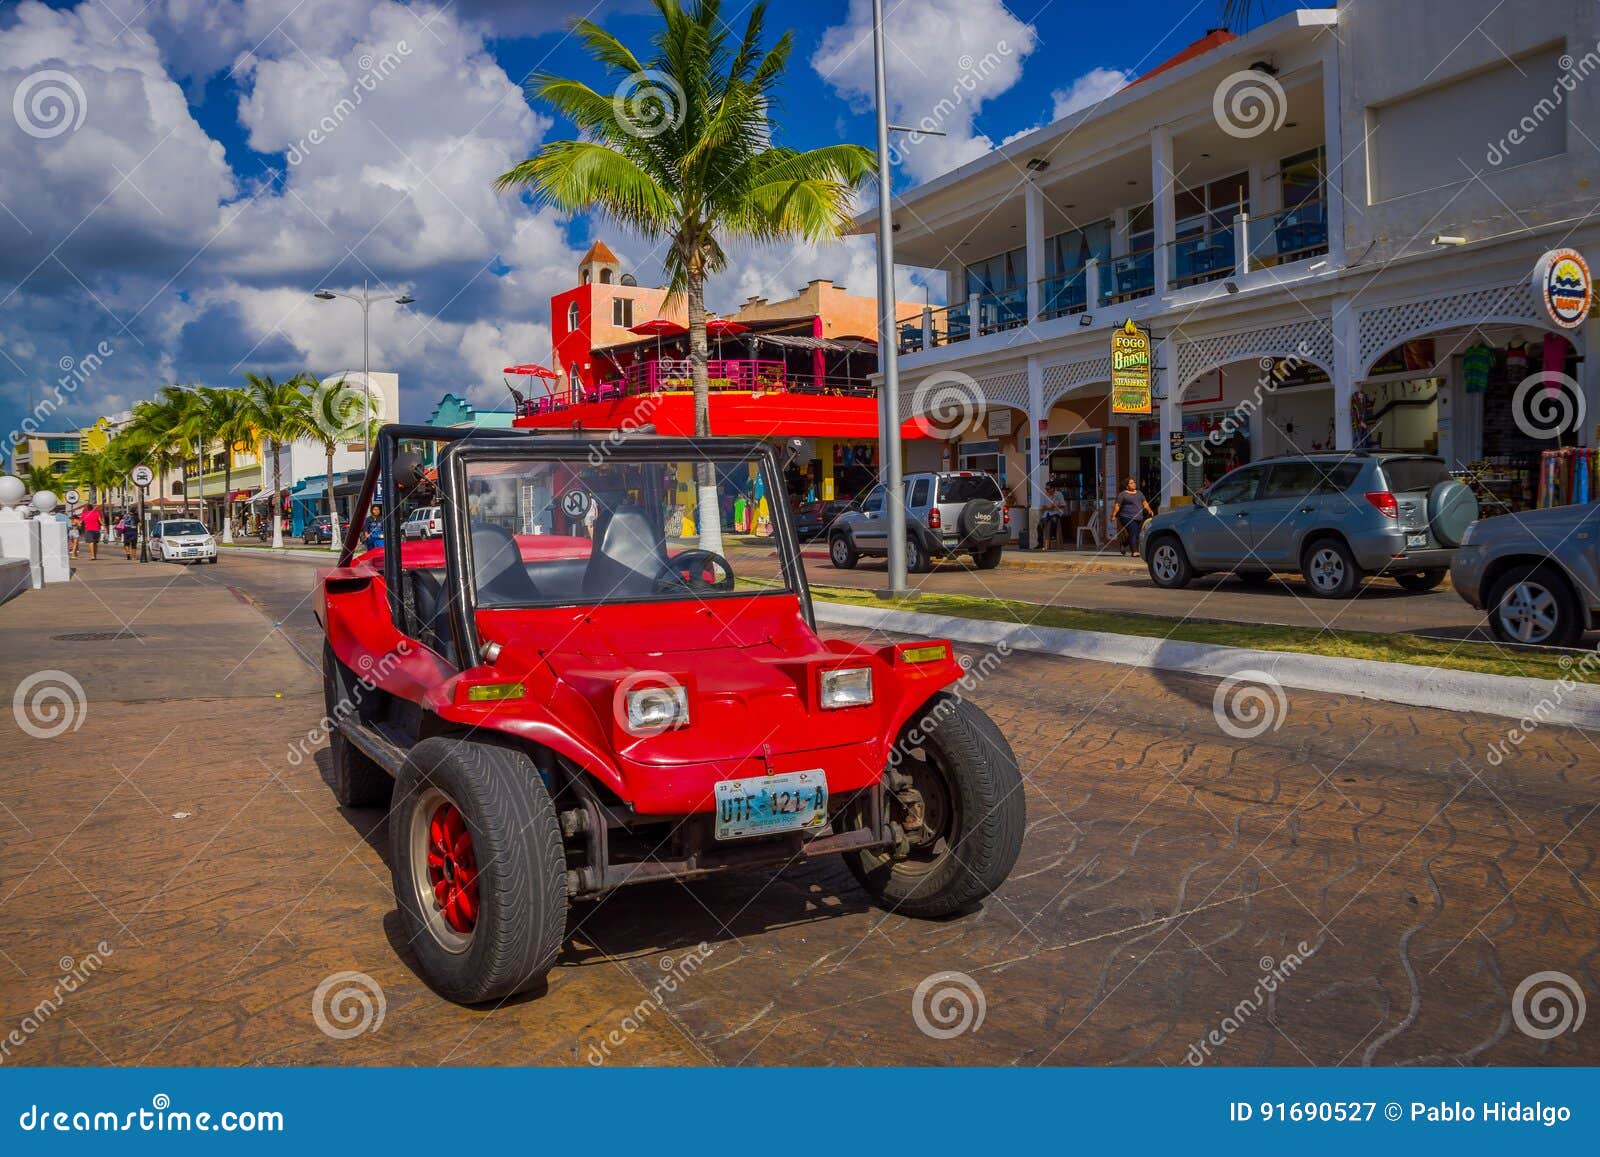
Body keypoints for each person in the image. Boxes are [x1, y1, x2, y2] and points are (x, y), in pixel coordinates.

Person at [1113, 478, 1155, 558]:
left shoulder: (1139, 493)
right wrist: (1113, 515)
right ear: (1126, 486)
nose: (1134, 484)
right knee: (1133, 530)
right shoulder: (1122, 494)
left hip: (1139, 517)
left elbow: (1144, 503)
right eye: (1131, 483)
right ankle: (1134, 551)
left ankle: (1124, 544)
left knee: (1136, 534)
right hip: (1126, 517)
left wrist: (1149, 510)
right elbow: (1117, 506)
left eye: (1134, 482)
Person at [1036, 481, 1064, 550]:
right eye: (1046, 489)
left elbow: (1063, 505)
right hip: (1047, 513)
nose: (1047, 490)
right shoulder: (1044, 495)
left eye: (1048, 489)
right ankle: (1040, 543)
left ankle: (1053, 537)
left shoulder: (1059, 494)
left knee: (1054, 520)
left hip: (1055, 513)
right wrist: (1047, 507)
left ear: (1053, 488)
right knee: (1039, 525)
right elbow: (1042, 507)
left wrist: (1055, 506)